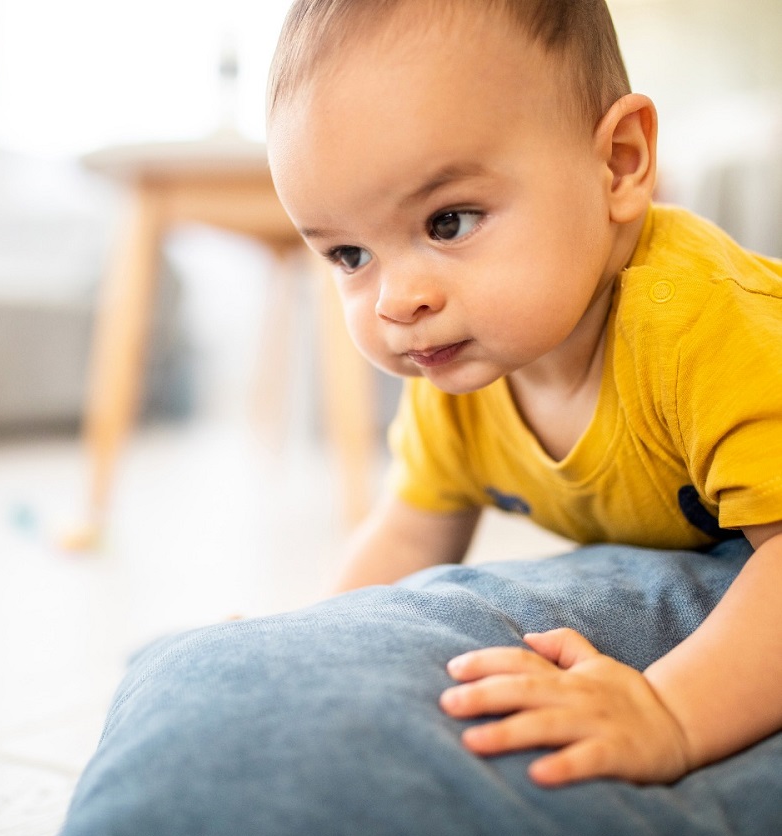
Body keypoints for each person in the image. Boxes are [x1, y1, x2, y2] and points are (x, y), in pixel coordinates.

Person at [266, 0, 782, 788]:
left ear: (618, 163)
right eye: (348, 254)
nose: (396, 300)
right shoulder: (457, 368)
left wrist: (671, 713)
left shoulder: (702, 326)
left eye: (448, 222)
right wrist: (309, 648)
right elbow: (410, 529)